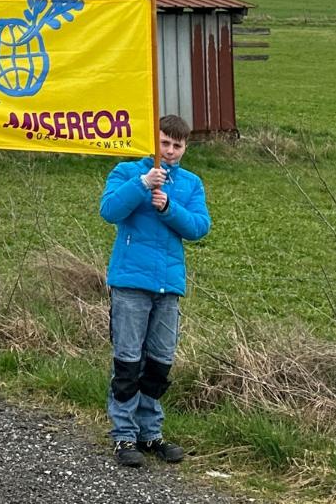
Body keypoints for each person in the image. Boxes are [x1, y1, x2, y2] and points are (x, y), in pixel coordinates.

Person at [99, 113, 210, 468]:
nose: (171, 151)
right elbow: (110, 210)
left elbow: (198, 227)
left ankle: (151, 432)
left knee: (159, 364)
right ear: (154, 141)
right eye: (165, 143)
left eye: (177, 145)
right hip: (131, 281)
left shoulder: (191, 184)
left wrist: (168, 208)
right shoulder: (127, 172)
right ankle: (124, 436)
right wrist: (143, 184)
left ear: (185, 148)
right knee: (128, 361)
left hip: (169, 285)